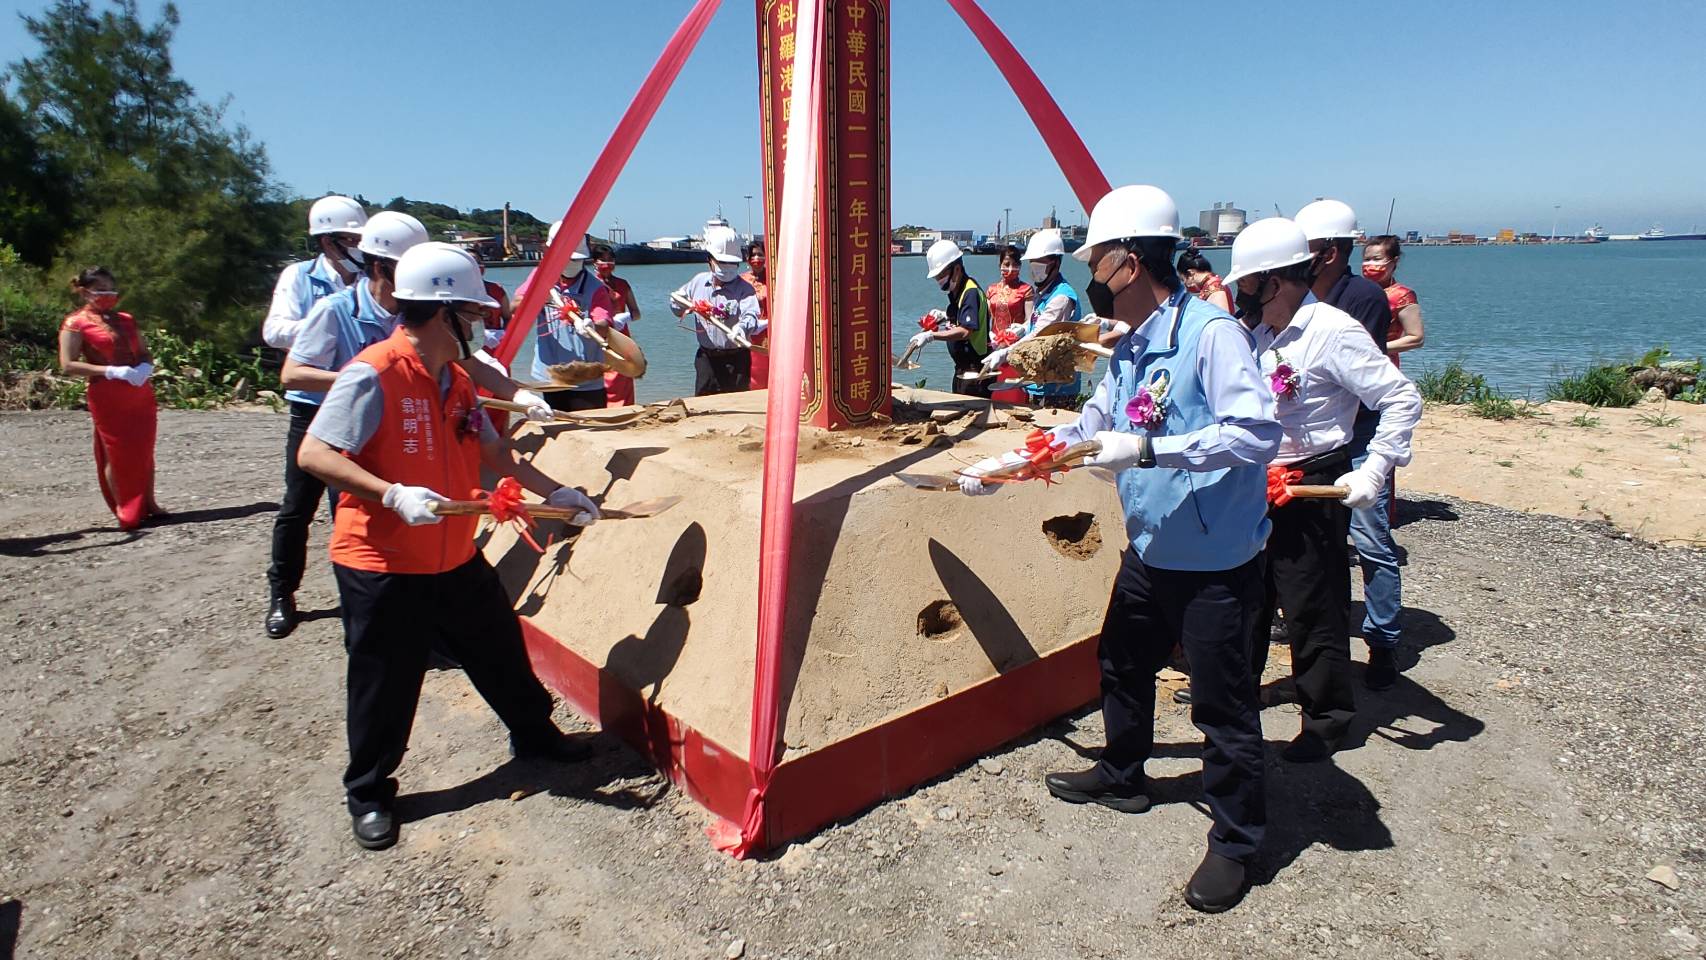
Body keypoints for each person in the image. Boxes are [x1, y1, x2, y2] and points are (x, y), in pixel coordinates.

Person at [960, 185, 1281, 913]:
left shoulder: (1210, 335)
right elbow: (1087, 429)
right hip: (1152, 548)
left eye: (1096, 258)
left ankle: (1236, 843)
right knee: (1122, 662)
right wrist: (1005, 468)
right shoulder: (1131, 346)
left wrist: (1152, 448)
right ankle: (1124, 773)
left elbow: (1258, 434)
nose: (1089, 271)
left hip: (1215, 562)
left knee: (1222, 708)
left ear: (1128, 264)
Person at [295, 242, 601, 851]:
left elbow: (492, 454)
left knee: (498, 650)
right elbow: (314, 453)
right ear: (443, 313)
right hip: (383, 563)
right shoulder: (373, 373)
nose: (484, 324)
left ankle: (535, 736)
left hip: (454, 553)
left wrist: (558, 493)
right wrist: (391, 494)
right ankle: (369, 791)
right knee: (386, 679)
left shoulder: (457, 380)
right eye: (475, 312)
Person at [269, 216, 553, 639]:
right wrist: (376, 383)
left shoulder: (425, 319)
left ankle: (424, 619)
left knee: (417, 509)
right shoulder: (338, 311)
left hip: (403, 416)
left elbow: (462, 358)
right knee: (312, 509)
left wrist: (518, 394)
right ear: (382, 266)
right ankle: (285, 593)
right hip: (327, 416)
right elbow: (293, 375)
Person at [1228, 217, 1421, 758]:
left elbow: (1402, 399)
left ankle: (1328, 720)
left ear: (1277, 279)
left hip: (1311, 481)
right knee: (1249, 599)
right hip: (1257, 479)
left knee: (1312, 607)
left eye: (1247, 284)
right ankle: (1237, 695)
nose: (1241, 295)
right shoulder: (1259, 333)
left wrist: (1373, 468)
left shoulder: (1333, 332)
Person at [1294, 200, 1404, 689]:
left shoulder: (1360, 299)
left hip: (1357, 433)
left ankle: (1383, 638)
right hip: (1318, 440)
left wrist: (1368, 464)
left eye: (1309, 250)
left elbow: (1361, 383)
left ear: (1332, 252)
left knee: (1371, 535)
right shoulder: (1300, 296)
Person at [58, 266, 161, 530]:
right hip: (107, 393)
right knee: (117, 451)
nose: (107, 295)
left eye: (111, 290)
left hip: (139, 391)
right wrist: (111, 370)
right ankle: (125, 509)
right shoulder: (75, 323)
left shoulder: (126, 319)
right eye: (100, 290)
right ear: (84, 292)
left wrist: (145, 368)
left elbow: (144, 352)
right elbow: (67, 365)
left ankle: (149, 503)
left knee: (144, 449)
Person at [517, 222, 618, 411]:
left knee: (592, 426)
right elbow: (515, 306)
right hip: (551, 374)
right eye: (568, 259)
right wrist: (535, 297)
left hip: (586, 375)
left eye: (577, 260)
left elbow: (604, 323)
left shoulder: (594, 287)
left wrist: (592, 327)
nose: (573, 264)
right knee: (558, 426)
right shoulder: (540, 277)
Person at [668, 225, 764, 395]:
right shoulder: (698, 282)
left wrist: (741, 328)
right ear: (710, 260)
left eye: (732, 263)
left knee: (736, 406)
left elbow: (751, 314)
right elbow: (677, 307)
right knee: (704, 406)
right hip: (707, 359)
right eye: (722, 262)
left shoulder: (745, 289)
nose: (727, 267)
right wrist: (677, 303)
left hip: (736, 360)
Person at [263, 196, 368, 350]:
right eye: (353, 240)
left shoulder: (374, 279)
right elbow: (274, 332)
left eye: (362, 239)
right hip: (316, 372)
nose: (360, 246)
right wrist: (329, 324)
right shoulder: (298, 275)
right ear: (328, 242)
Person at [911, 239, 991, 398]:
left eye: (941, 275)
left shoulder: (970, 292)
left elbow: (965, 331)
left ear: (957, 269)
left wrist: (931, 336)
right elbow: (959, 317)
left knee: (972, 414)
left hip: (974, 371)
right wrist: (943, 316)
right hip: (962, 369)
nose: (938, 280)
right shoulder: (958, 291)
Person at [1015, 228, 1083, 409]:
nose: (1034, 266)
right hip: (1038, 383)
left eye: (1040, 262)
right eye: (1032, 262)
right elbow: (1036, 322)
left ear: (1056, 263)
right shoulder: (1044, 292)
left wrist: (1006, 353)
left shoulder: (1062, 297)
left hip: (1057, 389)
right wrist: (1021, 329)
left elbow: (1039, 334)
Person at [1360, 235, 1425, 363]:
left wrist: (1377, 348)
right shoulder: (1356, 289)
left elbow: (1416, 338)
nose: (1371, 264)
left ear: (1394, 261)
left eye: (1377, 259)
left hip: (1382, 365)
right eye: (1367, 259)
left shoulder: (1402, 295)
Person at [590, 242, 639, 406]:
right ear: (594, 262)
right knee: (600, 374)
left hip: (621, 336)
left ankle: (626, 409)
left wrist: (624, 318)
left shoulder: (622, 284)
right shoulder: (589, 284)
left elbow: (636, 313)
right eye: (602, 259)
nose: (607, 263)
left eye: (610, 259)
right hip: (596, 336)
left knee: (623, 373)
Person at [983, 244, 1033, 404]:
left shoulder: (1026, 290)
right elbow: (987, 317)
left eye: (1015, 264)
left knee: (1013, 395)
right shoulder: (991, 290)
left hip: (1015, 349)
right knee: (991, 393)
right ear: (1000, 265)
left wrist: (1018, 332)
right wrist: (990, 334)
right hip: (993, 347)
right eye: (1006, 264)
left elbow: (1031, 321)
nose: (1010, 269)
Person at [742, 239, 771, 391]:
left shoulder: (773, 278)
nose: (756, 259)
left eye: (760, 255)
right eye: (752, 255)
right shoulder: (741, 280)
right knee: (752, 369)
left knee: (769, 367)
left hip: (770, 332)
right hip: (750, 332)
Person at [1177, 249, 1233, 314]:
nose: (1184, 284)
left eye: (1182, 279)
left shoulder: (1215, 289)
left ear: (1190, 274)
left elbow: (1222, 321)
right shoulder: (1215, 283)